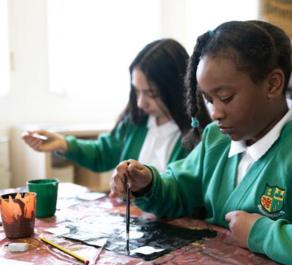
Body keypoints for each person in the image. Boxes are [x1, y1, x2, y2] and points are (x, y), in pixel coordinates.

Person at [110, 21, 292, 265]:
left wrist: (261, 233)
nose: (215, 113)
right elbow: (179, 189)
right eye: (209, 100)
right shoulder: (216, 140)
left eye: (225, 98)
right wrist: (148, 182)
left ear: (273, 85)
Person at [22, 39, 211, 173]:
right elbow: (103, 153)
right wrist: (63, 144)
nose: (140, 102)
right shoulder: (135, 122)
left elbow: (183, 194)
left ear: (175, 89)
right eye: (137, 91)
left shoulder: (199, 136)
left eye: (151, 94)